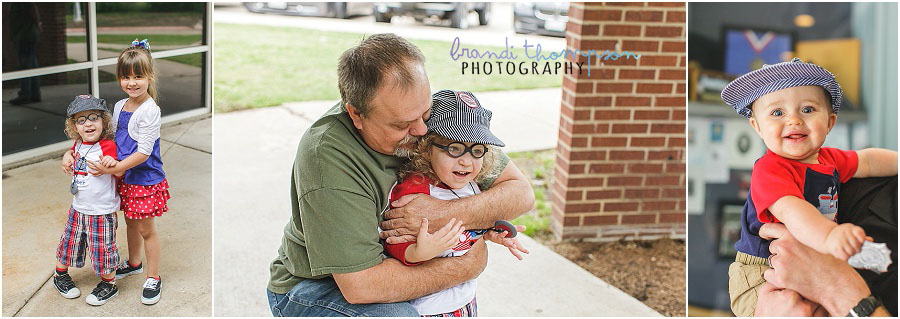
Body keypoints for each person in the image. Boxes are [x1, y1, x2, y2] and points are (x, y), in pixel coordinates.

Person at [267, 33, 535, 316]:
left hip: (402, 267)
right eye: (403, 124)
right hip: (315, 287)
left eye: (425, 112)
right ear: (356, 115)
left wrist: (444, 214)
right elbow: (362, 286)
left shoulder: (432, 116)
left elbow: (521, 192)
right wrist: (468, 263)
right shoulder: (329, 159)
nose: (422, 131)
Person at [720, 58, 898, 316]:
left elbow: (868, 161)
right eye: (777, 113)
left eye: (807, 110)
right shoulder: (769, 169)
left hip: (811, 259)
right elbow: (793, 210)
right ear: (757, 127)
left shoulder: (830, 159)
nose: (794, 120)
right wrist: (830, 237)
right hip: (761, 271)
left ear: (830, 122)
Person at [383, 89, 530, 316]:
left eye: (477, 150)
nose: (466, 161)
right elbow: (394, 238)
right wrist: (418, 252)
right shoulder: (415, 190)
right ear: (427, 148)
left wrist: (489, 232)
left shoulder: (470, 185)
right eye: (454, 148)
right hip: (432, 307)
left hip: (465, 298)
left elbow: (467, 228)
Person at [63, 39, 170, 305]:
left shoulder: (150, 110)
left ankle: (153, 276)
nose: (131, 82)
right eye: (125, 77)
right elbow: (105, 136)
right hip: (123, 175)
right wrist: (71, 152)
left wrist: (115, 169)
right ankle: (134, 263)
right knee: (131, 223)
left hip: (142, 178)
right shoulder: (122, 105)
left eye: (138, 76)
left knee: (147, 229)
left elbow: (144, 152)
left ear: (150, 77)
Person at [55, 95, 122, 306]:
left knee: (103, 247)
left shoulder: (108, 145)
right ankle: (60, 275)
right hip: (78, 207)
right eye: (81, 120)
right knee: (70, 243)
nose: (88, 124)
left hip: (102, 210)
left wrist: (113, 162)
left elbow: (119, 169)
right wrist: (66, 154)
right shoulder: (78, 145)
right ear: (74, 127)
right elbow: (74, 153)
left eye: (93, 117)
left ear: (103, 121)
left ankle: (109, 284)